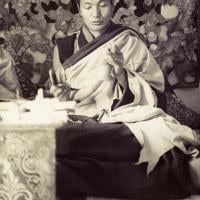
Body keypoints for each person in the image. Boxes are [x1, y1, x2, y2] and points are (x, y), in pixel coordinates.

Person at [50, 0, 200, 199]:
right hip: (81, 119)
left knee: (159, 130)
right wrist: (60, 97)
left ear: (113, 6)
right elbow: (58, 99)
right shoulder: (63, 48)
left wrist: (122, 74)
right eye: (88, 6)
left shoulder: (129, 41)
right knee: (58, 135)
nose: (96, 14)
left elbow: (155, 93)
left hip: (124, 117)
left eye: (102, 5)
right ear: (79, 9)